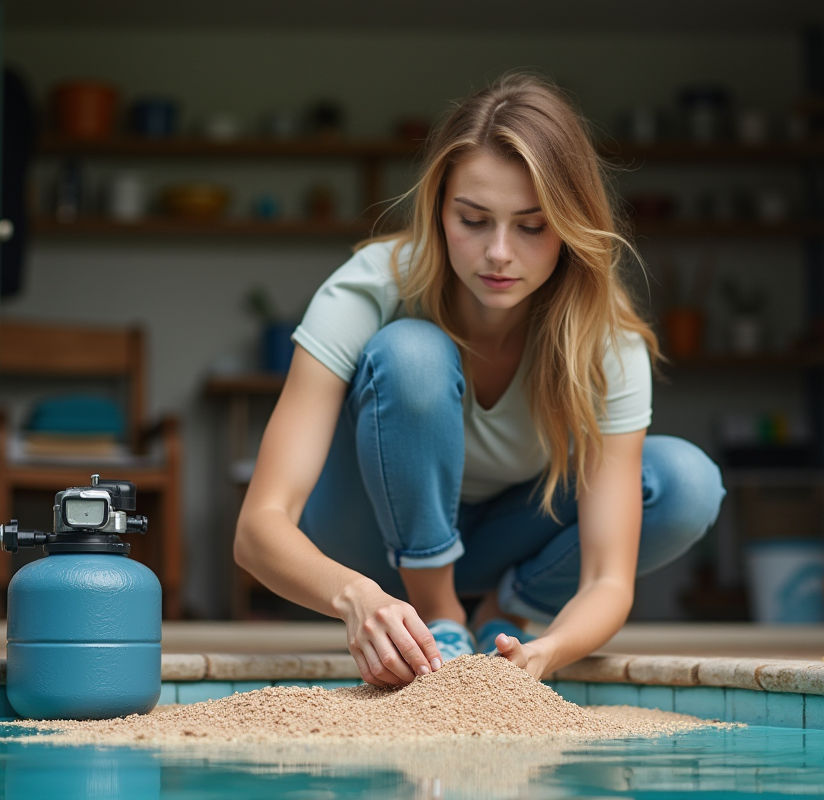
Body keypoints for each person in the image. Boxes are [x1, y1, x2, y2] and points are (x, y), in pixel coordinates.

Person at [234, 73, 724, 687]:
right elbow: (258, 530)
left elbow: (606, 579)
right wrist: (356, 597)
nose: (498, 253)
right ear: (439, 210)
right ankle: (437, 614)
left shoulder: (606, 341)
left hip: (503, 544)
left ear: (571, 226)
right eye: (473, 219)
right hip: (363, 542)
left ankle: (504, 613)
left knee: (686, 482)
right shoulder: (371, 285)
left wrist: (550, 649)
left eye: (532, 225)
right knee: (411, 353)